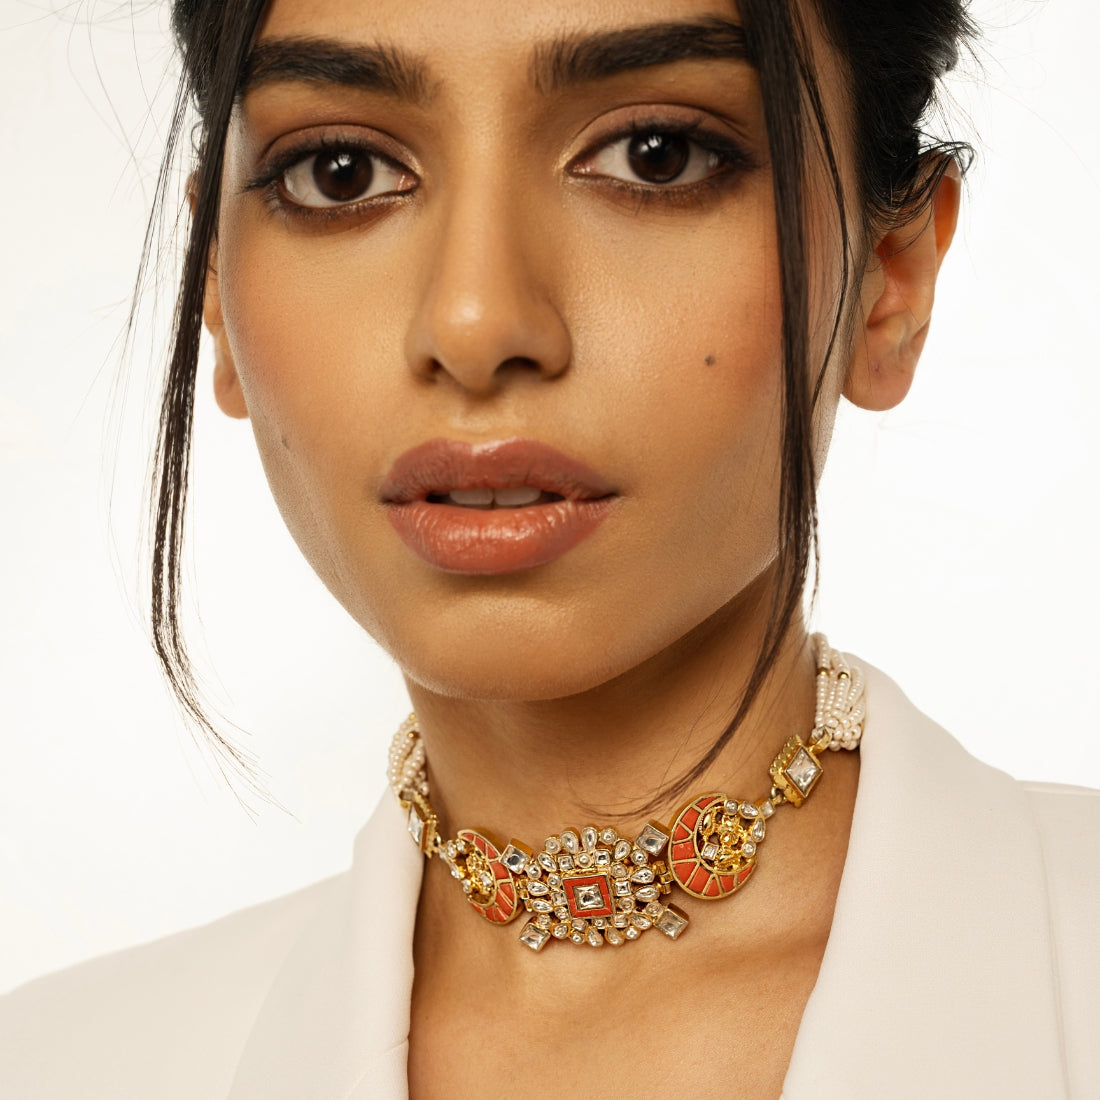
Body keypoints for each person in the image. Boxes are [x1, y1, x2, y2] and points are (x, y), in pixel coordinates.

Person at [2, 0, 1097, 1097]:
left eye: (654, 156)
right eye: (338, 171)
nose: (475, 322)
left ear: (888, 281)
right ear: (215, 296)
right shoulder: (61, 1063)